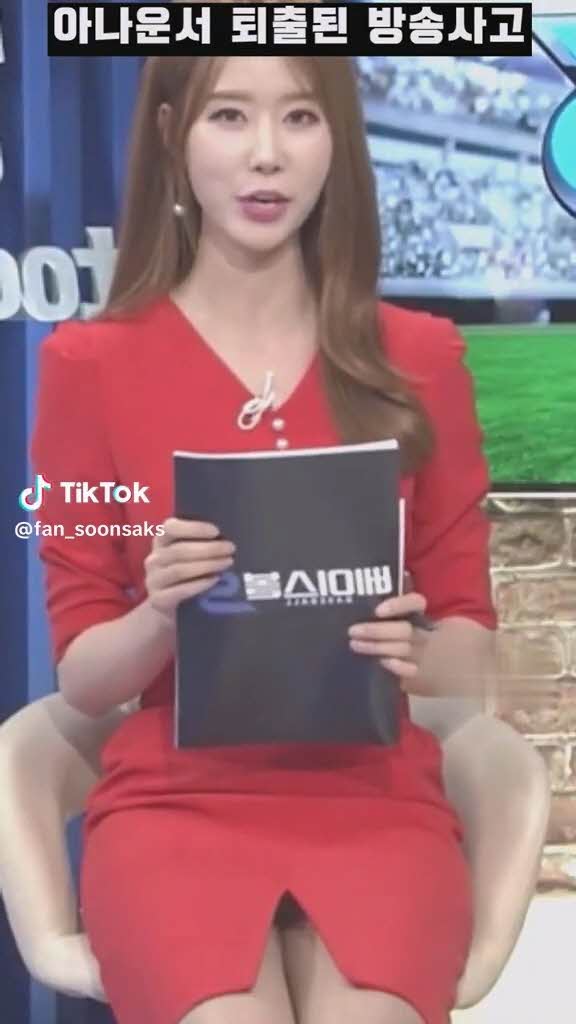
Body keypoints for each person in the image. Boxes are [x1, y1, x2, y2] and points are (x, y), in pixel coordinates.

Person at [31, 54, 498, 1024]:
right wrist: (162, 613)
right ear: (172, 135)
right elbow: (82, 676)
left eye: (300, 118)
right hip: (174, 804)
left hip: (377, 801)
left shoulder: (421, 358)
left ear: (338, 142)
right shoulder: (86, 365)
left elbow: (471, 649)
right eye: (230, 117)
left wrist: (412, 647)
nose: (267, 156)